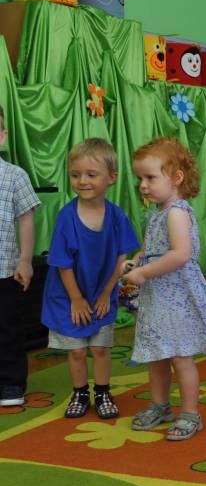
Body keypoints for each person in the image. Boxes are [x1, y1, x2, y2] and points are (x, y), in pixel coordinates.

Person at [124, 137, 206, 441]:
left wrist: (144, 272)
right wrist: (136, 261)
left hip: (177, 295)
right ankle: (160, 405)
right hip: (158, 296)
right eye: (140, 179)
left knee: (181, 357)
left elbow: (180, 254)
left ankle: (191, 413)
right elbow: (152, 249)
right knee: (157, 354)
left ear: (177, 177)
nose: (143, 185)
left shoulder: (177, 213)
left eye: (150, 178)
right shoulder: (157, 213)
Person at [41, 139, 140, 419]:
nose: (82, 181)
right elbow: (62, 264)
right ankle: (80, 392)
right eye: (76, 175)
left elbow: (122, 258)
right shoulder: (66, 217)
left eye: (91, 174)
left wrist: (107, 293)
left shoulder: (116, 216)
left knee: (100, 348)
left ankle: (103, 392)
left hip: (100, 294)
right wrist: (76, 299)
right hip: (68, 296)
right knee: (75, 351)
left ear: (111, 178)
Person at [0, 105, 40, 407]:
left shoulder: (14, 176)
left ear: (2, 136)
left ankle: (11, 383)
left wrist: (25, 260)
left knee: (7, 329)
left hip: (4, 269)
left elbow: (26, 218)